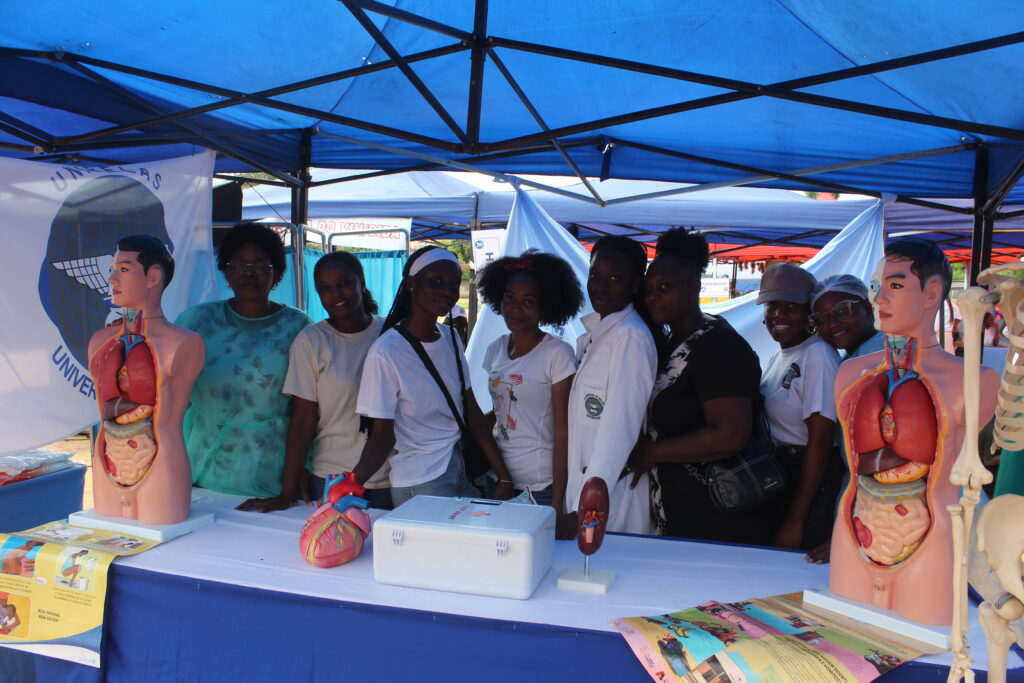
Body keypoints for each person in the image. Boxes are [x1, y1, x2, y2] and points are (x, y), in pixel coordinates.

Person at [626, 229, 773, 544]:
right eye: (649, 289)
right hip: (680, 508)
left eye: (664, 287)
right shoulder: (671, 342)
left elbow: (731, 433)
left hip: (718, 516)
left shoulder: (717, 345)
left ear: (694, 286)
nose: (652, 297)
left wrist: (653, 451)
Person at [349, 246, 514, 507]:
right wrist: (353, 482)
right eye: (436, 281)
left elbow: (470, 409)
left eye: (453, 283)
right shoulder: (386, 352)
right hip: (421, 482)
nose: (447, 290)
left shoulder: (450, 338)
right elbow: (382, 435)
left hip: (462, 471)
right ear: (411, 284)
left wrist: (503, 475)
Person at [238, 251, 391, 512]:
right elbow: (302, 422)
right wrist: (286, 493)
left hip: (389, 478)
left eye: (344, 283)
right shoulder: (312, 341)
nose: (336, 293)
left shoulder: (390, 334)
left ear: (361, 282)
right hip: (332, 479)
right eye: (325, 288)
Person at [175, 222, 312, 500]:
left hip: (269, 477)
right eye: (238, 264)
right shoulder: (196, 322)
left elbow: (306, 413)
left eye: (260, 265)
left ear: (276, 273)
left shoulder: (298, 327)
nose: (249, 272)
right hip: (197, 471)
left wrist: (299, 474)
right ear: (226, 271)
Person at [88, 234, 204, 525]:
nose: (113, 279)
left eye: (124, 270)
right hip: (107, 462)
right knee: (111, 538)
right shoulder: (100, 341)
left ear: (153, 277)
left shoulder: (184, 343)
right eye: (113, 270)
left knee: (162, 537)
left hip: (161, 467)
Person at [477, 250, 582, 529]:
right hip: (499, 480)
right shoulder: (495, 349)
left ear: (544, 307)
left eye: (528, 302)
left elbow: (563, 431)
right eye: (509, 298)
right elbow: (502, 409)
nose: (515, 308)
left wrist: (557, 504)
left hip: (539, 486)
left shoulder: (557, 354)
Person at [566, 236, 658, 535]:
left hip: (605, 498)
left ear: (635, 284)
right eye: (595, 275)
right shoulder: (599, 334)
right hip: (587, 488)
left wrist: (586, 508)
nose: (601, 286)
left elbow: (618, 431)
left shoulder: (630, 337)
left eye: (615, 278)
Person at [758, 263, 841, 551]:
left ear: (810, 313)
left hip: (808, 483)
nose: (778, 314)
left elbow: (820, 442)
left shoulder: (818, 355)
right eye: (772, 305)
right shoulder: (780, 356)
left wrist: (796, 520)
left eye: (791, 306)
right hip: (783, 475)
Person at [804, 274, 883, 563]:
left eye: (842, 310)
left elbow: (885, 455)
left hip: (884, 504)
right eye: (821, 318)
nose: (833, 322)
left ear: (868, 307)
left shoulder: (879, 359)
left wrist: (855, 529)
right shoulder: (854, 359)